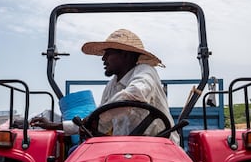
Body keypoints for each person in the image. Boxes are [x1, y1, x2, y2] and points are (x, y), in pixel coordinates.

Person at [30, 29, 179, 145]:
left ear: (125, 55)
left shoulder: (145, 71)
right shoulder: (111, 87)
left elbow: (136, 94)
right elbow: (98, 124)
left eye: (108, 54)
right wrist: (55, 125)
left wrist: (93, 119)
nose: (103, 59)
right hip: (125, 149)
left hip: (160, 145)